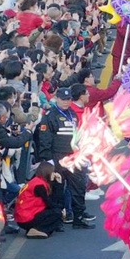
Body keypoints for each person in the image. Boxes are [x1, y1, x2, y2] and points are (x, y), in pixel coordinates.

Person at [36, 87, 95, 230]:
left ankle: (78, 218)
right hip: (57, 157)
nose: (66, 102)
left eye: (68, 99)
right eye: (63, 99)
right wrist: (48, 160)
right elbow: (44, 139)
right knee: (57, 190)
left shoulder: (72, 113)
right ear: (57, 99)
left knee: (78, 187)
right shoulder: (49, 115)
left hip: (74, 157)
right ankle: (56, 221)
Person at [14, 161, 64, 239]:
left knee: (56, 210)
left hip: (23, 217)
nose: (54, 174)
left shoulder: (36, 181)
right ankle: (39, 229)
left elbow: (52, 200)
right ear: (47, 172)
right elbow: (50, 203)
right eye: (53, 172)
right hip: (27, 218)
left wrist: (59, 183)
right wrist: (61, 210)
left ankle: (33, 229)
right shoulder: (39, 186)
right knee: (57, 213)